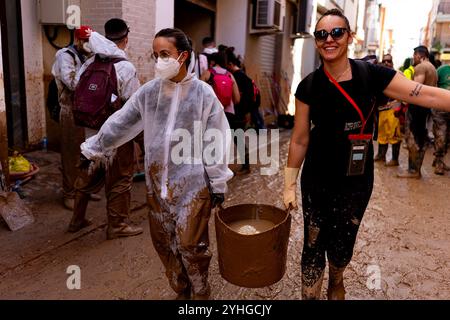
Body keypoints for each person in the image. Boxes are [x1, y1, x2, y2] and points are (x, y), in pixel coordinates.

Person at [283, 9, 450, 300]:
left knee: (342, 245)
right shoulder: (308, 86)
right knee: (312, 243)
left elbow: (424, 94)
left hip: (356, 181)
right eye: (322, 35)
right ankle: (309, 294)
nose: (329, 39)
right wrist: (287, 185)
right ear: (316, 41)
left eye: (337, 32)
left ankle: (337, 278)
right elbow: (299, 140)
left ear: (350, 37)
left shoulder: (372, 75)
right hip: (316, 178)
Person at [77, 28, 233, 300]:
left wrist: (218, 182)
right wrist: (93, 147)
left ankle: (200, 292)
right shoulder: (149, 93)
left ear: (182, 56)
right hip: (156, 186)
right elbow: (121, 121)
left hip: (194, 186)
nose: (159, 61)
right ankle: (181, 289)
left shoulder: (203, 95)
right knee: (164, 243)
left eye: (165, 54)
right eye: (155, 55)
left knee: (190, 245)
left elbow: (217, 139)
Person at [68, 18, 143, 240]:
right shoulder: (126, 67)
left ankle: (77, 219)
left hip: (91, 132)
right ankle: (118, 225)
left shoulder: (89, 63)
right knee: (120, 177)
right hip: (116, 133)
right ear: (126, 39)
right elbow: (133, 105)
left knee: (88, 172)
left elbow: (76, 91)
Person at [51, 26, 101, 210]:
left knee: (87, 152)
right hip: (70, 110)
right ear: (77, 40)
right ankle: (69, 193)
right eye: (84, 41)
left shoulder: (89, 56)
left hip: (86, 110)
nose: (88, 45)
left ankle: (85, 189)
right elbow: (72, 83)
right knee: (71, 154)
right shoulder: (66, 56)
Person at [398, 46, 438, 179]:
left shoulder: (420, 67)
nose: (413, 58)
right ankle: (416, 170)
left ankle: (413, 171)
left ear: (419, 55)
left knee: (412, 138)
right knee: (420, 137)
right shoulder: (433, 68)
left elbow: (416, 89)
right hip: (426, 107)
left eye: (414, 55)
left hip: (417, 108)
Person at [226, 48, 253, 175]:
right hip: (240, 114)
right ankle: (245, 165)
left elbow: (244, 97)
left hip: (236, 114)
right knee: (238, 140)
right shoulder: (244, 76)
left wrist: (245, 112)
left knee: (237, 140)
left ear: (230, 64)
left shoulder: (236, 77)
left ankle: (246, 166)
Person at [374, 54, 403, 166]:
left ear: (392, 63)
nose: (386, 63)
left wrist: (398, 105)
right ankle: (381, 156)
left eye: (389, 61)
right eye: (384, 61)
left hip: (393, 110)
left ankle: (394, 159)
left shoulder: (397, 75)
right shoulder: (379, 75)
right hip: (381, 110)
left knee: (394, 136)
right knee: (382, 135)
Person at [432, 64, 450, 175]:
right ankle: (438, 162)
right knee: (441, 137)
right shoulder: (442, 70)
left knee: (448, 138)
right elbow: (433, 86)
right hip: (440, 110)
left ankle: (440, 160)